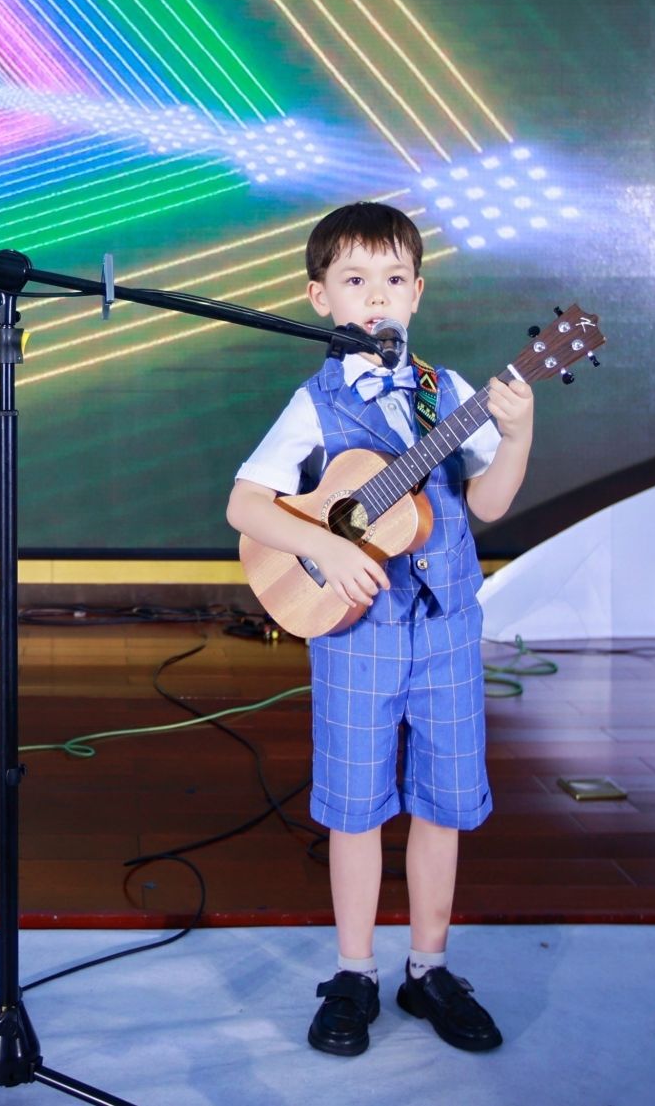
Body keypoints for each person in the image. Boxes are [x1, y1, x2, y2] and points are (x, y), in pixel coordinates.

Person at [225, 201, 534, 1057]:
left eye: (394, 278)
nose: (376, 296)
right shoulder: (314, 404)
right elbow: (245, 504)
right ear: (318, 296)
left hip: (446, 630)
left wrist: (517, 434)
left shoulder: (448, 393)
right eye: (355, 279)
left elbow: (489, 502)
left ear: (418, 292)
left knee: (444, 802)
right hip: (357, 635)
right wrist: (327, 542)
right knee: (356, 807)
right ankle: (354, 970)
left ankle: (427, 967)